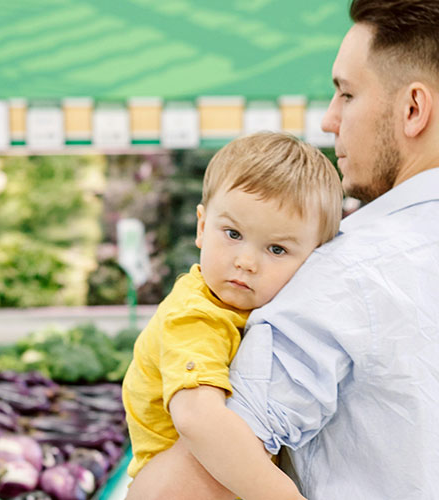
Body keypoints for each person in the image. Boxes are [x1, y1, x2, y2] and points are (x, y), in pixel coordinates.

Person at [130, 0, 439, 498]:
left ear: (413, 109)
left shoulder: (340, 272)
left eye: (346, 93)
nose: (329, 119)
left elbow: (177, 489)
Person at [122, 132, 343, 500]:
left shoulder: (251, 311)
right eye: (233, 233)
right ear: (201, 227)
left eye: (276, 248)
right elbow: (197, 418)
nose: (246, 261)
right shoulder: (196, 315)